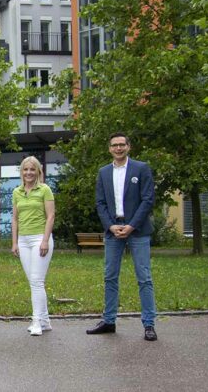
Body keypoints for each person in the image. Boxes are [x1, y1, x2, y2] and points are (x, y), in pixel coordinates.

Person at [87, 133, 157, 341]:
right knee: (110, 276)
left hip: (138, 230)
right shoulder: (104, 172)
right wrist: (110, 226)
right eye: (114, 145)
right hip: (113, 231)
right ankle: (109, 321)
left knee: (144, 278)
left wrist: (131, 225)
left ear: (128, 147)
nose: (118, 148)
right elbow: (100, 203)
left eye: (122, 145)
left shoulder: (141, 168)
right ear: (109, 148)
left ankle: (149, 324)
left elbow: (148, 199)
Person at [11, 156, 55, 336]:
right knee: (34, 282)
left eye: (32, 169)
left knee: (37, 281)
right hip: (23, 240)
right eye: (25, 169)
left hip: (39, 239)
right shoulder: (17, 192)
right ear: (21, 172)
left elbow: (51, 216)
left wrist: (45, 240)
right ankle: (45, 320)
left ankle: (37, 321)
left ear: (38, 171)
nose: (29, 173)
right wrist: (14, 242)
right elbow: (14, 219)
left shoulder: (45, 190)